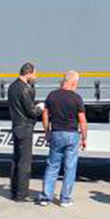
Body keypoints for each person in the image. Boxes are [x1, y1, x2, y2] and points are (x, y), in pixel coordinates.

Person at [40, 70, 87, 207]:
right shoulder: (77, 98)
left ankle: (45, 197)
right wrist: (84, 137)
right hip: (72, 135)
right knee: (70, 168)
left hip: (56, 133)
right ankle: (65, 199)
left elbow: (45, 115)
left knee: (52, 166)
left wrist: (46, 131)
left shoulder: (52, 95)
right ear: (73, 82)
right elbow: (82, 120)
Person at [7, 62, 40, 203]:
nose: (35, 77)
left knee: (16, 160)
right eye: (34, 74)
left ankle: (14, 191)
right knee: (25, 163)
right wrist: (40, 108)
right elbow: (31, 111)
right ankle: (22, 194)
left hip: (16, 126)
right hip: (25, 127)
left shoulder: (12, 86)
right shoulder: (24, 89)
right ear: (28, 73)